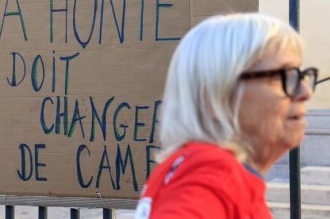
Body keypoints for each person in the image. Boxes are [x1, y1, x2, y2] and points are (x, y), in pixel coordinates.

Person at [134, 13, 318, 218]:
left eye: (300, 76)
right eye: (285, 76)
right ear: (216, 96)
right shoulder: (210, 172)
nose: (305, 92)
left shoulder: (193, 168)